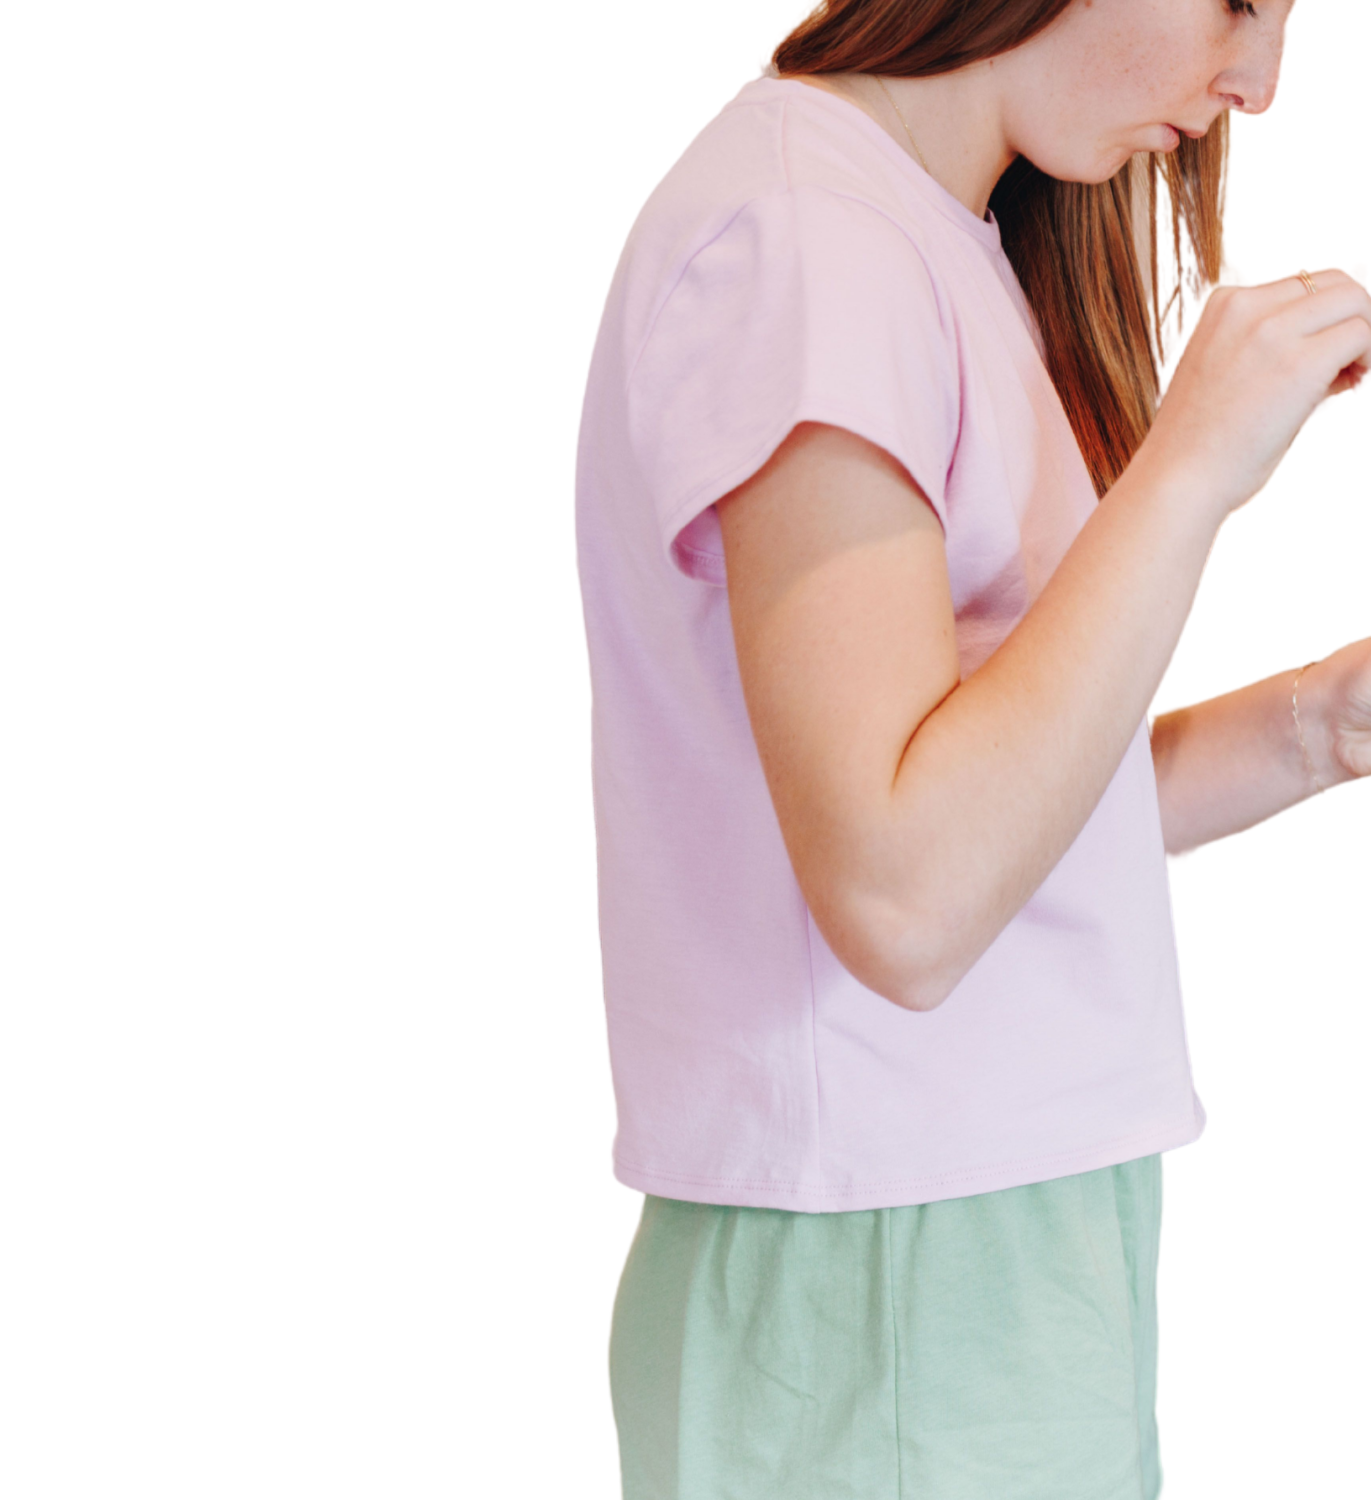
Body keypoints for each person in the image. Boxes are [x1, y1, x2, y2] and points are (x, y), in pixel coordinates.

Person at [574, 1, 1371, 1494]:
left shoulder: (923, 234)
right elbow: (907, 895)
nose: (1258, 84)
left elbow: (1005, 807)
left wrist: (1319, 724)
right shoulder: (815, 247)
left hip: (958, 1248)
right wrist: (1194, 465)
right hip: (890, 1267)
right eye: (1239, 1)